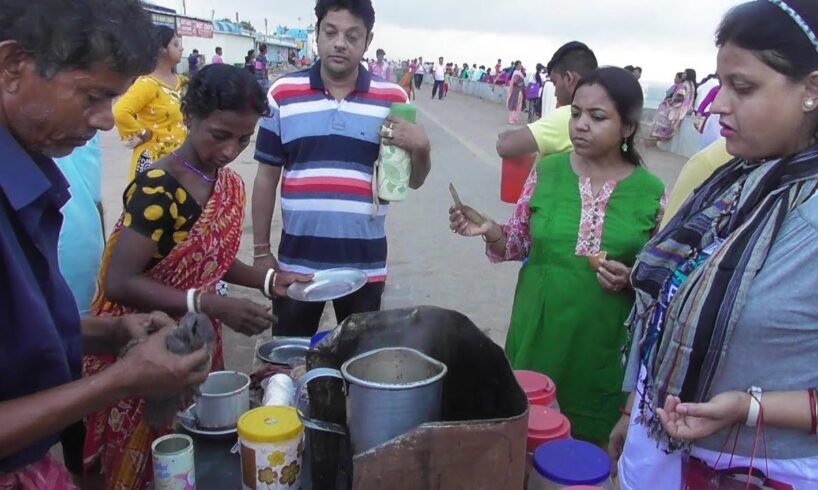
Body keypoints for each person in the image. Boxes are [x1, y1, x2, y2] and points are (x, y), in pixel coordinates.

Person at [0, 1, 211, 486]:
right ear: (13, 67)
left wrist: (105, 334)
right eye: (92, 96)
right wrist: (120, 380)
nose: (105, 122)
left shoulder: (29, 166)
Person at [612, 2, 818, 488]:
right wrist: (632, 409)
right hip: (658, 446)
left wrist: (749, 407)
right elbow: (666, 307)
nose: (716, 105)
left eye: (742, 87)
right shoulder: (729, 181)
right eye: (719, 83)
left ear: (811, 89)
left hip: (755, 471)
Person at [83, 65, 311, 489]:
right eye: (220, 135)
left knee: (191, 452)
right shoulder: (158, 187)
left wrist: (268, 281)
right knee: (142, 464)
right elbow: (119, 282)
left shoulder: (227, 185)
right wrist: (208, 303)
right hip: (139, 343)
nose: (230, 150)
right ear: (189, 116)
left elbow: (211, 259)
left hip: (193, 336)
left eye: (243, 139)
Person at [451, 67, 666, 445]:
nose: (581, 125)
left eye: (597, 117)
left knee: (588, 450)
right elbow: (518, 243)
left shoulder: (651, 191)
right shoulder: (546, 171)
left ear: (628, 128)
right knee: (528, 436)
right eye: (576, 113)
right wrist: (490, 230)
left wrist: (632, 278)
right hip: (539, 330)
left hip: (604, 343)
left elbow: (662, 278)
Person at [252, 0, 432, 337]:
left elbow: (413, 182)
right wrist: (261, 252)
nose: (340, 43)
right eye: (331, 32)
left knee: (357, 365)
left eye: (352, 35)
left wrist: (421, 148)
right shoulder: (282, 94)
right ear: (317, 33)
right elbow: (266, 178)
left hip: (365, 265)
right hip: (296, 265)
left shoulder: (393, 100)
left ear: (368, 40)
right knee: (289, 359)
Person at [496, 41, 598, 159]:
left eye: (555, 83)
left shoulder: (569, 116)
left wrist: (504, 135)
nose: (555, 93)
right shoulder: (605, 117)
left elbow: (505, 145)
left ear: (569, 78)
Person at [114, 25, 187, 182]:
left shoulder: (180, 82)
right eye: (175, 44)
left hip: (177, 160)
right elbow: (120, 111)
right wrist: (142, 133)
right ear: (161, 50)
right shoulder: (147, 83)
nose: (181, 48)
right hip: (153, 161)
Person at [650, 68, 697, 141]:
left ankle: (660, 135)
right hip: (688, 107)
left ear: (688, 74)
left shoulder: (685, 84)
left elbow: (680, 96)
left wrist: (672, 101)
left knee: (663, 112)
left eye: (685, 73)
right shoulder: (692, 85)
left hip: (680, 108)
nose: (683, 74)